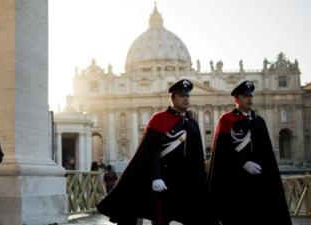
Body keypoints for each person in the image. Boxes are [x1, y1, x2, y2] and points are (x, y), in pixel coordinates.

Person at [97, 79, 215, 225]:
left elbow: (197, 155)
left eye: (188, 96)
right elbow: (150, 151)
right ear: (173, 98)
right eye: (181, 96)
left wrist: (200, 178)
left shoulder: (192, 123)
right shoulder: (159, 119)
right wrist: (156, 176)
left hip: (185, 181)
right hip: (164, 179)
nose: (186, 99)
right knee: (161, 218)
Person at [208, 80, 292, 225]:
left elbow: (267, 153)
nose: (250, 99)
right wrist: (243, 162)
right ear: (237, 99)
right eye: (246, 96)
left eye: (251, 96)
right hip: (235, 180)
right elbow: (222, 149)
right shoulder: (227, 120)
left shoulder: (259, 121)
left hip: (258, 180)